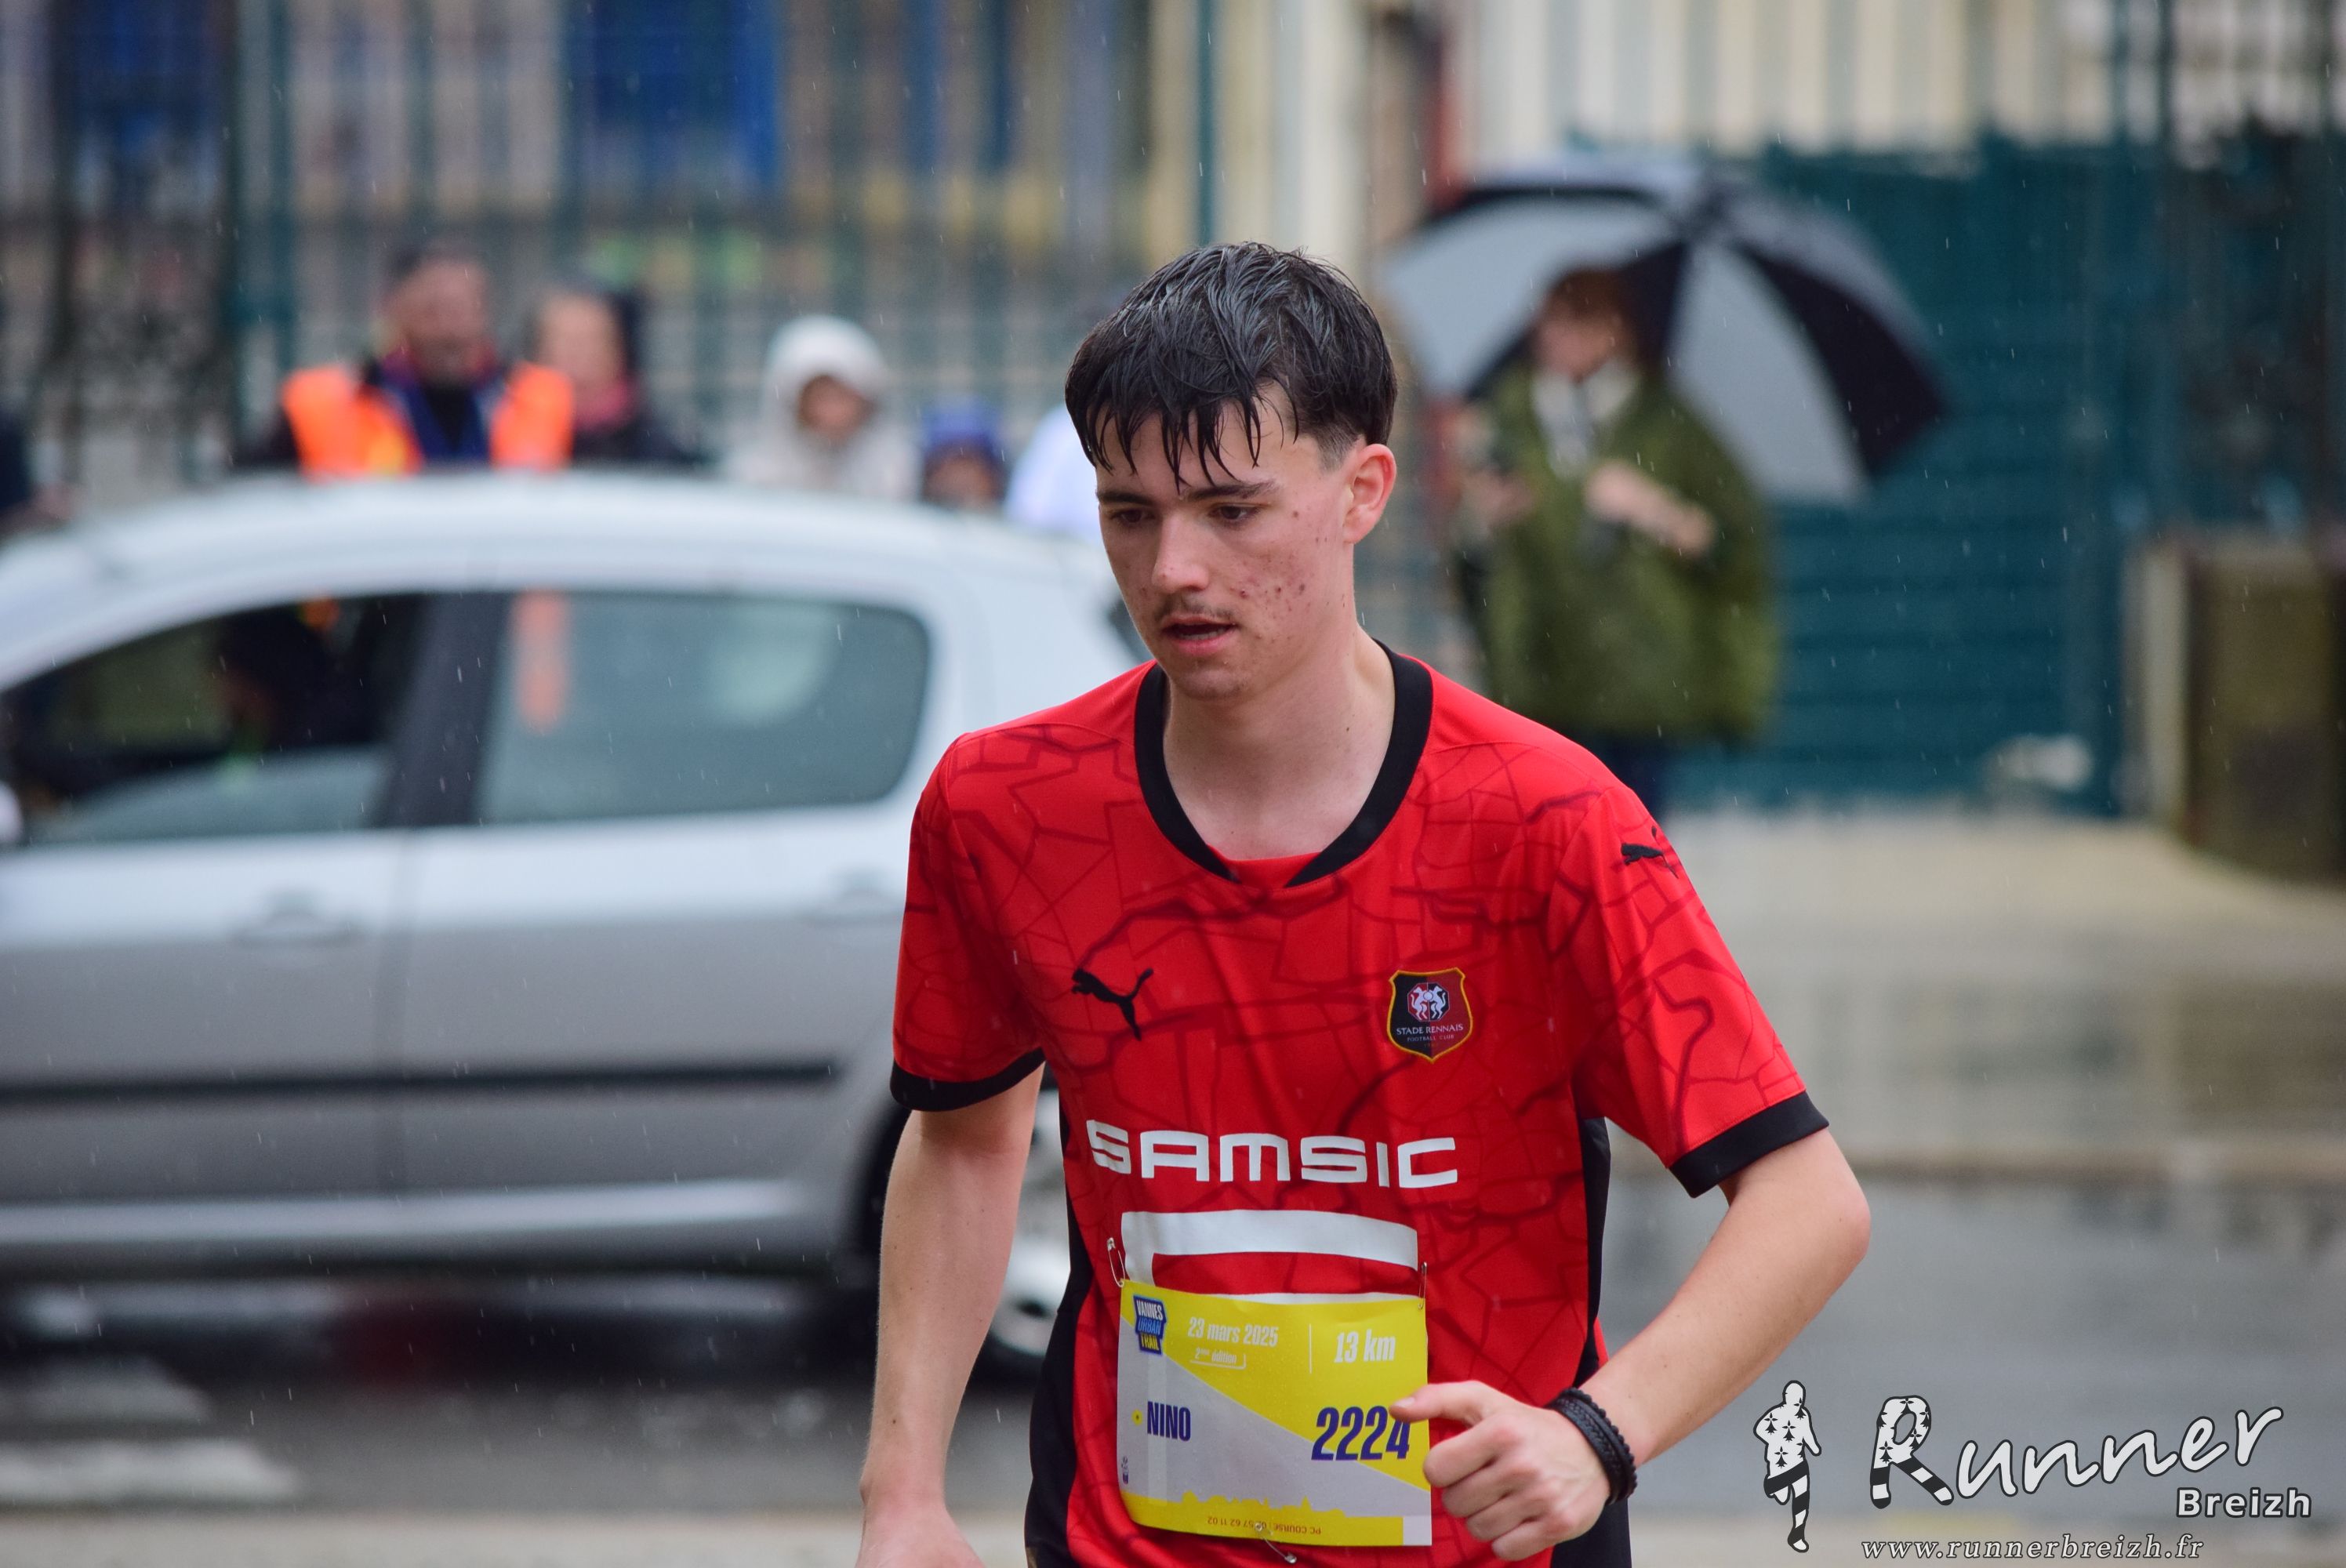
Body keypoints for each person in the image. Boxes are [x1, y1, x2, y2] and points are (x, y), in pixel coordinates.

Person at [857, 243, 1868, 1568]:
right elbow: (964, 1145)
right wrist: (903, 1495)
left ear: (1363, 492)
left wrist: (1597, 1436)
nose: (1173, 567)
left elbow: (1806, 1202)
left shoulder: (1544, 823)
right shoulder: (1005, 809)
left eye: (1232, 510)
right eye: (1129, 513)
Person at [1453, 267, 1775, 819]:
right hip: (1539, 670)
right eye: (1550, 323)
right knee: (1548, 840)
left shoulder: (1668, 425)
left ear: (1615, 330)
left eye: (1578, 322)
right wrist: (1480, 520)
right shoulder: (1509, 418)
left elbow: (1731, 547)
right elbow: (1468, 556)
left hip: (1639, 678)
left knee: (1634, 842)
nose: (1559, 340)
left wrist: (1653, 509)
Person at [239, 237, 572, 477]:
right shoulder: (319, 406)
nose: (450, 329)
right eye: (433, 309)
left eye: (463, 309)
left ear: (487, 312)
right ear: (393, 309)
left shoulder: (546, 400)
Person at [727, 314, 917, 500]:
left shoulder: (898, 470)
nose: (834, 412)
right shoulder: (758, 475)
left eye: (842, 398)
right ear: (795, 404)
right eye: (821, 398)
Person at [528, 284, 699, 468]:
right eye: (564, 341)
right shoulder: (510, 435)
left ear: (620, 349)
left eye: (591, 340)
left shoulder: (658, 448)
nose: (576, 355)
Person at [917, 401, 1009, 511]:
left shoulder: (1014, 517)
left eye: (969, 462)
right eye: (951, 463)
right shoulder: (909, 518)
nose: (961, 478)